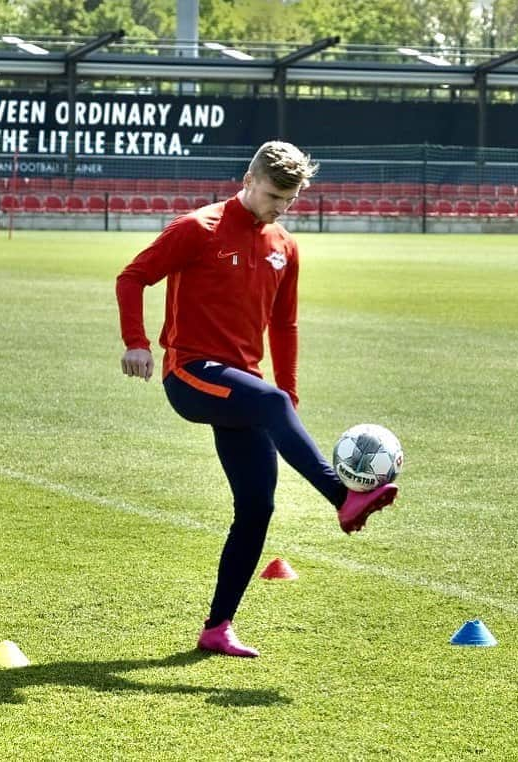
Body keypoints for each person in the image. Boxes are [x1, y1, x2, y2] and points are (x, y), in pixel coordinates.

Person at [116, 140, 398, 658]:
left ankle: (217, 626)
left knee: (256, 507)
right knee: (269, 406)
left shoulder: (284, 247)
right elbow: (132, 277)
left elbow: (283, 324)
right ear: (248, 179)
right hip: (191, 375)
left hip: (245, 388)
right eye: (273, 196)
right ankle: (342, 496)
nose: (279, 208)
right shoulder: (195, 230)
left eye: (288, 201)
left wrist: (285, 390)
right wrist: (136, 342)